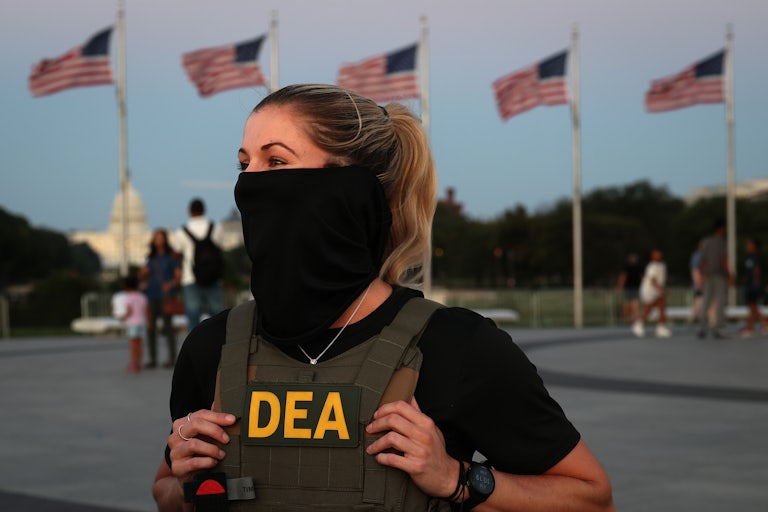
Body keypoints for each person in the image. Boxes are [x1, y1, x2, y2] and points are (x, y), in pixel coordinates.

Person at [152, 84, 614, 512]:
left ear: (350, 190)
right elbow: (166, 489)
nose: (250, 184)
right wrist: (185, 478)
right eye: (244, 163)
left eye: (275, 162)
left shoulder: (455, 347)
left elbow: (591, 498)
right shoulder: (214, 346)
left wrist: (456, 478)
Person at [174, 198, 225, 332]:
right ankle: (220, 345)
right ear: (204, 210)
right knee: (218, 315)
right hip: (213, 276)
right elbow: (220, 249)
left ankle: (195, 348)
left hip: (190, 277)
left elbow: (177, 254)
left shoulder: (181, 231)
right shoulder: (216, 227)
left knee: (193, 316)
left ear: (189, 211)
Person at [140, 228, 182, 368]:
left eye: (160, 237)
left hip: (165, 296)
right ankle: (152, 359)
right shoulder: (151, 258)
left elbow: (178, 277)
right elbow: (143, 275)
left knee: (168, 327)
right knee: (150, 327)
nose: (158, 240)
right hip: (152, 294)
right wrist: (144, 274)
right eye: (156, 238)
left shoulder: (171, 257)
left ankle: (171, 358)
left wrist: (170, 285)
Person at [697, 218, 734, 339]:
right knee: (720, 302)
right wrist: (730, 275)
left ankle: (702, 326)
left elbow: (703, 260)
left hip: (708, 275)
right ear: (721, 229)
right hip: (719, 275)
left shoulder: (706, 241)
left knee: (706, 300)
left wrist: (702, 275)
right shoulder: (721, 242)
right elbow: (724, 260)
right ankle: (718, 328)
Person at [112, 274, 148, 374]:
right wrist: (149, 322)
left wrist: (122, 317)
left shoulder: (128, 297)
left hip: (133, 323)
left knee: (133, 345)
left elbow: (129, 311)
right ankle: (139, 363)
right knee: (139, 344)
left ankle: (133, 363)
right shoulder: (142, 296)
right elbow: (146, 310)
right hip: (142, 323)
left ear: (126, 287)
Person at [632, 249, 671, 338]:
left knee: (661, 307)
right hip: (649, 290)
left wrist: (661, 289)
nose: (659, 256)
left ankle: (660, 328)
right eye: (656, 255)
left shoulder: (662, 265)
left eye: (660, 254)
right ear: (652, 256)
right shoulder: (652, 267)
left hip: (657, 289)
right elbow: (653, 282)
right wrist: (663, 290)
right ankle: (639, 324)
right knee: (649, 308)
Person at [740, 238, 768, 337]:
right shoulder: (749, 258)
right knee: (752, 308)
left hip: (753, 286)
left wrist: (756, 282)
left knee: (753, 307)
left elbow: (757, 270)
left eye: (749, 245)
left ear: (755, 247)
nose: (747, 247)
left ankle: (751, 328)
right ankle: (751, 327)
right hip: (749, 285)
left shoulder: (756, 258)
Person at [616, 252, 643, 324]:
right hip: (628, 288)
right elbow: (623, 277)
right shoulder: (626, 267)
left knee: (636, 304)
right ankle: (626, 318)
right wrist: (620, 286)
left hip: (637, 287)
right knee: (627, 304)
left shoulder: (639, 267)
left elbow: (642, 277)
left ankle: (635, 318)